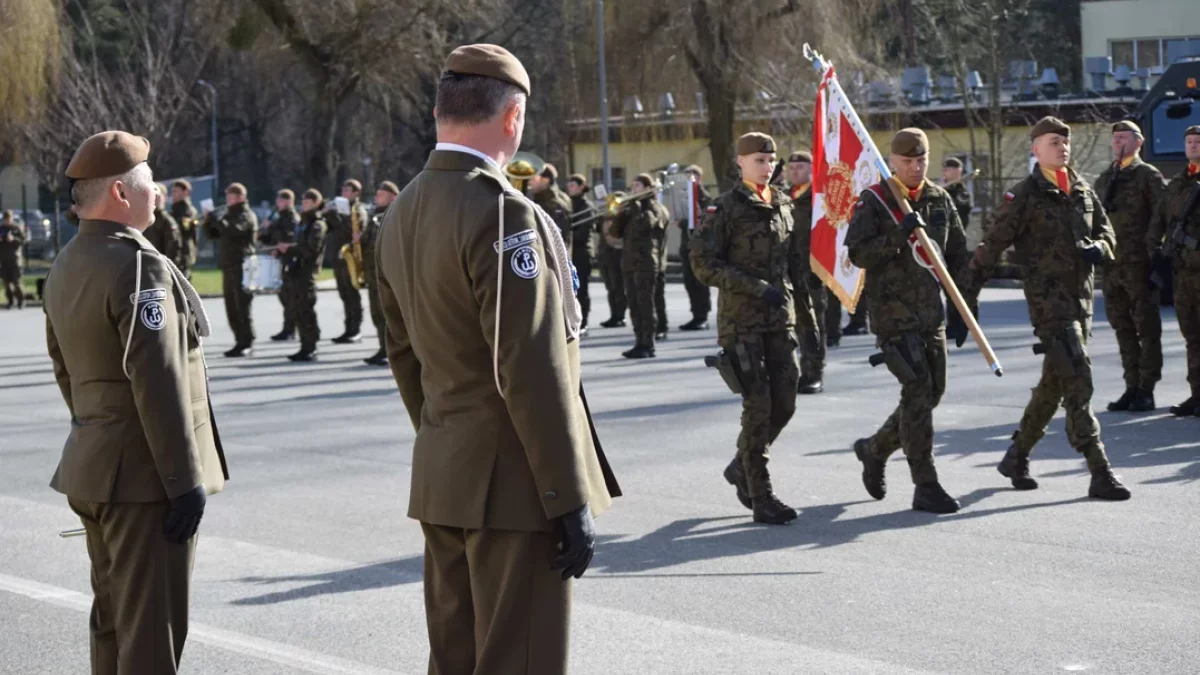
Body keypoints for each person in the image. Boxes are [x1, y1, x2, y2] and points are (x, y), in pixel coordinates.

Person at [375, 44, 619, 675]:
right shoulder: (505, 212)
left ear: (439, 111)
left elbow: (403, 353)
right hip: (516, 485)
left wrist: (447, 436)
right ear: (514, 117)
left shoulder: (399, 212)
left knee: (455, 658)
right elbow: (530, 366)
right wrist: (565, 495)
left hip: (445, 471)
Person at [45, 130, 228, 674]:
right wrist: (183, 481)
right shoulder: (138, 265)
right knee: (152, 633)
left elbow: (65, 369)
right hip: (146, 480)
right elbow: (158, 377)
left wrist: (98, 435)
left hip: (96, 467)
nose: (156, 191)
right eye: (149, 182)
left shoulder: (67, 261)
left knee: (114, 622)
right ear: (122, 194)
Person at [968, 116, 1131, 500]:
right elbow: (990, 245)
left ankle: (1016, 454)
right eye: (1053, 142)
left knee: (1053, 385)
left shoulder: (1082, 190)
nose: (1062, 147)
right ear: (1035, 149)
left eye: (1064, 141)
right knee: (1078, 378)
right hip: (1049, 305)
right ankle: (1099, 468)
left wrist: (1101, 248)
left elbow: (1107, 232)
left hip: (1082, 301)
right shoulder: (1023, 195)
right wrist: (966, 298)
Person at [690, 132, 818, 525]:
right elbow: (703, 264)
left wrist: (809, 320)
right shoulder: (725, 208)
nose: (767, 167)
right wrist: (755, 287)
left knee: (786, 401)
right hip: (741, 322)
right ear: (740, 163)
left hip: (781, 321)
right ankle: (761, 495)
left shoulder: (783, 204)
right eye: (759, 161)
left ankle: (740, 466)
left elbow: (797, 267)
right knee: (758, 405)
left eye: (771, 161)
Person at [845, 128, 970, 514]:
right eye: (908, 162)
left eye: (921, 161)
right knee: (917, 393)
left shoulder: (938, 198)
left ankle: (875, 448)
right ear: (893, 162)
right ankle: (926, 484)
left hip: (930, 315)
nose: (916, 168)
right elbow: (859, 254)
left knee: (932, 394)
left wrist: (966, 306)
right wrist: (898, 235)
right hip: (893, 317)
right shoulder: (877, 201)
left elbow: (957, 254)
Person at [1094, 121, 1166, 413]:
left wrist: (1156, 255)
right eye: (1115, 138)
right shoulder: (1104, 179)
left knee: (1146, 328)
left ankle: (1146, 390)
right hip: (1112, 266)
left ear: (1139, 142)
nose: (1118, 143)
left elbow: (1163, 218)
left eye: (1124, 137)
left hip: (1139, 264)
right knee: (1122, 328)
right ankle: (1131, 386)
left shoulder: (1148, 176)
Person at [1147, 125, 1200, 416]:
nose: (1193, 145)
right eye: (1189, 141)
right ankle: (1196, 394)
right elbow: (1159, 220)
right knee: (1191, 336)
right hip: (1182, 274)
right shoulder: (1178, 183)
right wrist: (1154, 253)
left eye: (1198, 141)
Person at [611, 173, 671, 358]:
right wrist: (621, 213)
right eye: (633, 185)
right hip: (629, 263)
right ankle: (639, 341)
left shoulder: (656, 209)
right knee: (634, 304)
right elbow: (615, 233)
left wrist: (635, 209)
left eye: (637, 186)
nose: (633, 189)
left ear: (647, 188)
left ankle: (648, 343)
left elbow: (645, 225)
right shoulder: (631, 209)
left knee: (646, 305)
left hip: (647, 263)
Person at [203, 183, 258, 357]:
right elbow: (213, 235)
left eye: (231, 196)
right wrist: (208, 220)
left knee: (242, 305)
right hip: (229, 265)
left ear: (240, 197)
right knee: (231, 306)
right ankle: (238, 340)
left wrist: (218, 219)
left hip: (243, 264)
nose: (227, 200)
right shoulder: (229, 214)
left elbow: (233, 230)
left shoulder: (245, 215)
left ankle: (246, 341)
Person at [787, 151, 825, 394]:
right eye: (791, 167)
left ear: (812, 169)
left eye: (800, 167)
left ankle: (813, 373)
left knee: (811, 325)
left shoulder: (818, 199)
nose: (794, 171)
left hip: (811, 270)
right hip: (785, 270)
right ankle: (789, 374)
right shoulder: (781, 197)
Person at [279, 189, 328, 362]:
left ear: (315, 203)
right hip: (297, 270)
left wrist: (290, 248)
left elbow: (311, 249)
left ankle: (310, 346)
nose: (304, 204)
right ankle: (304, 345)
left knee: (306, 309)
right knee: (298, 309)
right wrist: (284, 251)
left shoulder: (317, 224)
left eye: (308, 202)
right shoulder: (303, 222)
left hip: (307, 271)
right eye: (303, 201)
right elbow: (298, 245)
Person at [326, 179, 369, 344]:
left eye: (347, 191)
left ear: (356, 193)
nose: (343, 193)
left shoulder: (358, 209)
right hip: (339, 257)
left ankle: (355, 330)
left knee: (352, 295)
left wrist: (335, 215)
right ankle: (348, 328)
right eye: (343, 190)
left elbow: (351, 231)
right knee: (345, 295)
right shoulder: (339, 209)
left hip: (350, 257)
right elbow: (331, 229)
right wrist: (327, 213)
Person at [362, 181, 399, 366]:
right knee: (377, 314)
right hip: (372, 274)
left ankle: (393, 351)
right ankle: (382, 348)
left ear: (392, 197)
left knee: (389, 315)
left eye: (380, 195)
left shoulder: (396, 214)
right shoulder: (374, 215)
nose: (376, 198)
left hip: (388, 275)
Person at [262, 189, 300, 342]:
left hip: (289, 260)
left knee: (289, 297)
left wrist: (279, 246)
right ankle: (288, 328)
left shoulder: (291, 218)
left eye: (281, 200)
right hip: (279, 260)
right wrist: (266, 229)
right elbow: (271, 238)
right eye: (278, 200)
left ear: (289, 201)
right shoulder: (279, 217)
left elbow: (291, 238)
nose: (278, 203)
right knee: (284, 296)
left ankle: (290, 329)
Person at [678, 164, 713, 331]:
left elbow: (705, 218)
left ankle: (702, 316)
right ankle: (695, 315)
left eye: (691, 177)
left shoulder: (703, 196)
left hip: (700, 247)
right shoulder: (685, 197)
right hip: (687, 245)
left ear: (699, 178)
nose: (687, 180)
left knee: (699, 283)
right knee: (689, 283)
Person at [567, 173, 595, 333]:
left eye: (573, 185)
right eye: (568, 185)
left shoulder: (586, 206)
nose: (569, 188)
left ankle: (583, 322)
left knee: (581, 289)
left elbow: (582, 234)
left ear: (581, 187)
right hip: (570, 252)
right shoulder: (569, 203)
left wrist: (565, 233)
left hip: (582, 252)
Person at [597, 201, 627, 328]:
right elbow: (598, 229)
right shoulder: (605, 217)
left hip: (617, 255)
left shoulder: (623, 217)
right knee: (610, 288)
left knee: (618, 287)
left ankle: (620, 316)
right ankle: (614, 314)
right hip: (605, 255)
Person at [529, 163, 573, 248]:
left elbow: (558, 236)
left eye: (533, 179)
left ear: (545, 180)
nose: (530, 182)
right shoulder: (537, 197)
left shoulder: (557, 203)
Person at [143, 184, 182, 263]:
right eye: (152, 195)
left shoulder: (166, 220)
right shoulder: (144, 218)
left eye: (158, 196)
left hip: (161, 265)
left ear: (164, 198)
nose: (155, 199)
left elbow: (172, 248)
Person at [169, 180, 200, 279]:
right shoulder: (175, 209)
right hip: (174, 251)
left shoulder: (189, 211)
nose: (173, 194)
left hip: (184, 253)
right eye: (172, 191)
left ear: (185, 192)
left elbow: (183, 228)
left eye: (176, 191)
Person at [1, 210, 26, 309]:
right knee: (6, 282)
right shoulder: (1, 228)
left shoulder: (16, 228)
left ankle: (21, 300)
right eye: (5, 219)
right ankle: (10, 301)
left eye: (9, 219)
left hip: (14, 258)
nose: (7, 221)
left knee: (17, 281)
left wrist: (13, 239)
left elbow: (23, 240)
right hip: (3, 259)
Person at [942, 157, 973, 233]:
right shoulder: (940, 188)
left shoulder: (962, 192)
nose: (943, 172)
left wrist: (950, 191)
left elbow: (961, 211)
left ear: (957, 171)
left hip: (955, 232)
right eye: (943, 170)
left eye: (947, 170)